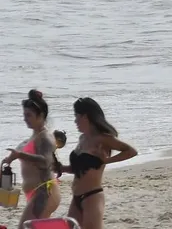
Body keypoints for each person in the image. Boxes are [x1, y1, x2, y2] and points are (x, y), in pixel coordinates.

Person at [58, 98, 137, 229]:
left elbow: (131, 151)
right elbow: (81, 169)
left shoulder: (103, 139)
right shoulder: (82, 138)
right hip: (76, 197)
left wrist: (106, 160)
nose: (75, 121)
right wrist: (62, 168)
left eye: (76, 116)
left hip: (92, 197)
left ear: (85, 117)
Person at [1, 91, 61, 228]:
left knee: (24, 227)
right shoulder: (33, 137)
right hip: (35, 192)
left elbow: (46, 162)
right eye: (24, 115)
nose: (25, 119)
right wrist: (9, 159)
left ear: (41, 115)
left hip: (45, 192)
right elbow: (21, 153)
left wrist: (19, 155)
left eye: (28, 115)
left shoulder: (45, 138)